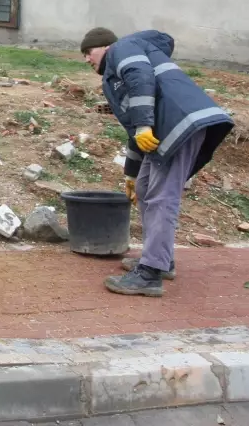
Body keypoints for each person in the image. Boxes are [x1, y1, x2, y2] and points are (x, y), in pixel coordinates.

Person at [81, 28, 234, 297]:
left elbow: (141, 78)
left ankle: (150, 273)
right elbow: (136, 130)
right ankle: (160, 261)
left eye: (88, 52)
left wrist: (143, 125)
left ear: (105, 47)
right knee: (143, 189)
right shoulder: (115, 75)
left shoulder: (122, 49)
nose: (86, 59)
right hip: (167, 127)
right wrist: (130, 172)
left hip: (181, 124)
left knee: (162, 196)